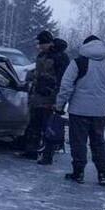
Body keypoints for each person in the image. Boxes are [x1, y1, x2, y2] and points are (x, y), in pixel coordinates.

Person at [55, 35, 105, 186]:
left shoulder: (78, 63)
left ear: (85, 46)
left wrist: (59, 105)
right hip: (99, 112)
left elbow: (66, 86)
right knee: (98, 142)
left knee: (78, 142)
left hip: (78, 111)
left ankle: (78, 173)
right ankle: (103, 174)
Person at [20, 30, 70, 164]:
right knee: (34, 124)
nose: (39, 46)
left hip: (50, 97)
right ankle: (31, 151)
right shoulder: (42, 55)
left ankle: (47, 155)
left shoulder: (60, 57)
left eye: (41, 43)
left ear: (48, 42)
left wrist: (59, 100)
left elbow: (63, 80)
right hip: (38, 96)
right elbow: (38, 72)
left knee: (48, 127)